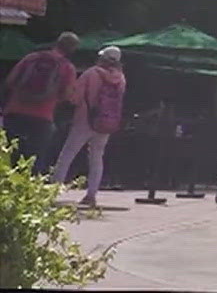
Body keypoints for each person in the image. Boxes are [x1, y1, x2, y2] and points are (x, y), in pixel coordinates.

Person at [50, 46, 125, 209]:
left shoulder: (91, 73)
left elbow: (75, 98)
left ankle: (53, 192)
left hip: (84, 120)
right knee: (97, 157)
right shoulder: (121, 78)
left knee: (67, 155)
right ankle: (91, 195)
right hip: (105, 123)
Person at [2, 32, 80, 175]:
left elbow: (10, 80)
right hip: (42, 116)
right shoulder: (67, 67)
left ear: (57, 42)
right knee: (35, 156)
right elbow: (67, 95)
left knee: (9, 154)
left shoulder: (31, 58)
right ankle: (27, 192)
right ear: (73, 49)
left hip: (14, 111)